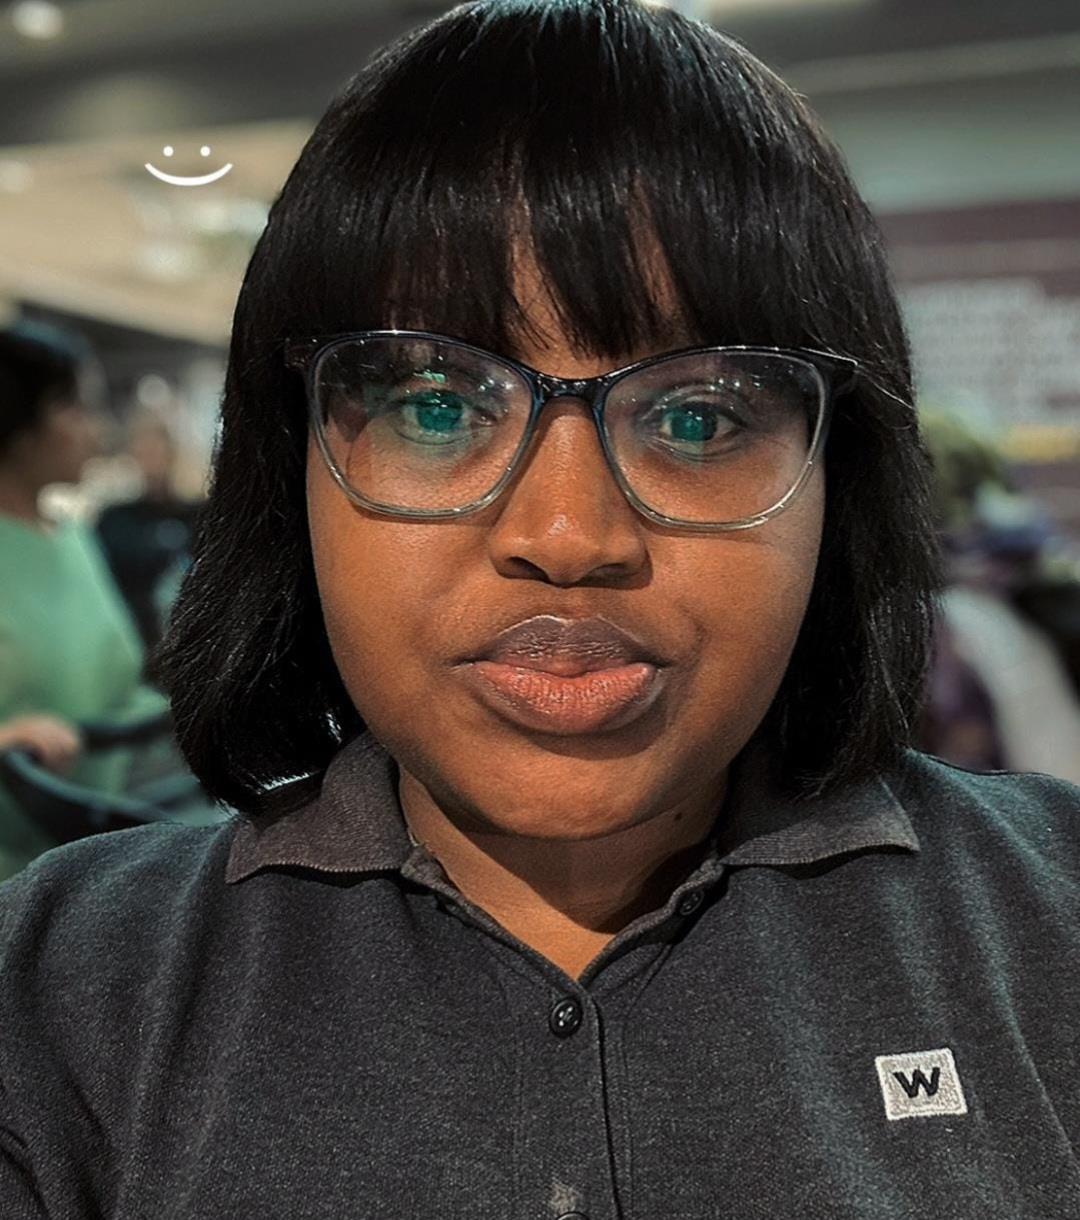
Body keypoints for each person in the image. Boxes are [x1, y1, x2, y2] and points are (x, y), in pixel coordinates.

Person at [2, 2, 1079, 1216]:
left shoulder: (1051, 922)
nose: (568, 537)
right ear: (288, 462)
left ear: (843, 476)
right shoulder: (58, 999)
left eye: (698, 417)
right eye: (435, 404)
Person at [0, 320, 170, 882]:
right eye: (75, 408)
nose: (96, 431)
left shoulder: (70, 537)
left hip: (85, 862)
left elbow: (114, 694)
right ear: (19, 420)